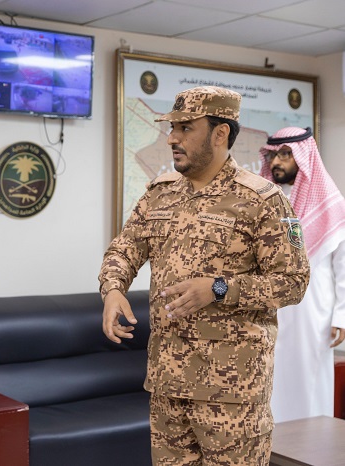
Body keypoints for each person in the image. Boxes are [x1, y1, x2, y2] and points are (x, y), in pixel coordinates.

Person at [98, 86, 310, 465]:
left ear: (220, 133)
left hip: (232, 393)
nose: (172, 138)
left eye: (185, 128)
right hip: (168, 382)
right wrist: (113, 290)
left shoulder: (262, 200)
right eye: (172, 127)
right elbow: (124, 249)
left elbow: (293, 282)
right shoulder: (159, 194)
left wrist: (219, 288)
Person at [259, 127, 345, 422]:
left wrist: (341, 316)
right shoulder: (264, 200)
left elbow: (343, 268)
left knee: (309, 379)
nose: (276, 162)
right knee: (272, 378)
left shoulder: (331, 204)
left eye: (286, 154)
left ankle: (314, 443)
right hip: (269, 305)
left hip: (313, 311)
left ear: (304, 157)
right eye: (273, 155)